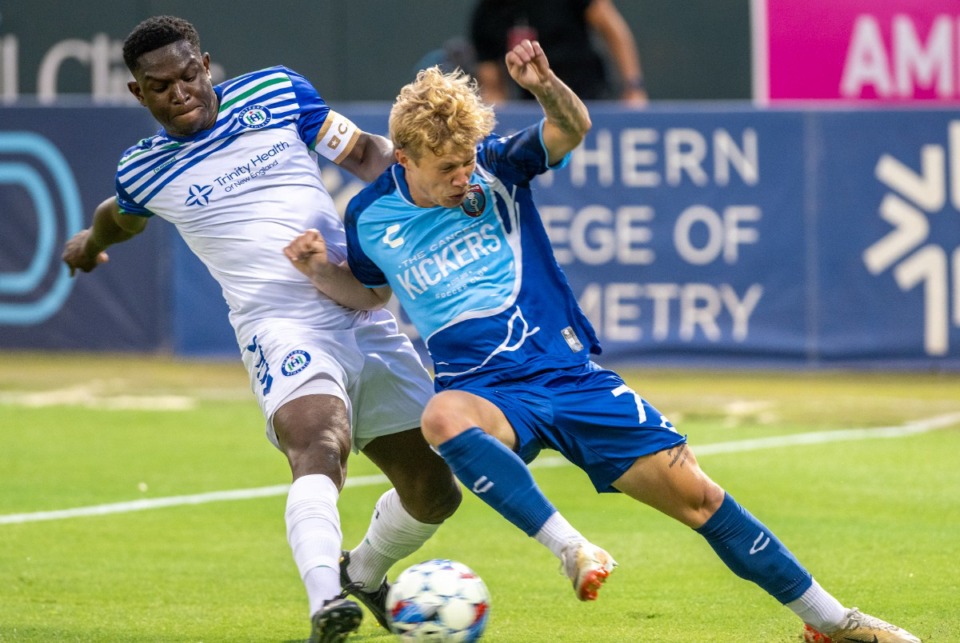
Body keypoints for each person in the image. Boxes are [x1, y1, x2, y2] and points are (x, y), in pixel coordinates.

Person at [284, 39, 922, 642]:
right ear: (404, 160)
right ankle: (572, 548)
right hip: (488, 392)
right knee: (442, 416)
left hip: (571, 377)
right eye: (448, 168)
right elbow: (371, 294)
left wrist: (547, 88)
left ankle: (833, 621)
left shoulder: (500, 169)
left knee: (701, 499)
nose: (464, 176)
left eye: (469, 159)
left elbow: (571, 129)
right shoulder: (370, 216)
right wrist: (320, 271)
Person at [61, 15, 462, 643]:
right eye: (161, 86)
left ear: (206, 63)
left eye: (190, 74)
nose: (182, 91)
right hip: (280, 329)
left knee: (434, 491)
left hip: (358, 305)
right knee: (319, 447)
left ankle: (361, 573)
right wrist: (88, 244)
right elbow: (120, 217)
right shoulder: (144, 170)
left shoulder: (276, 93)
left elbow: (364, 154)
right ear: (139, 93)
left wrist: (433, 185)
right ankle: (327, 602)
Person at [470, 0, 647, 105]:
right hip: (535, 108)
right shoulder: (487, 13)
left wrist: (634, 87)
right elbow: (492, 84)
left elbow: (611, 28)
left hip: (590, 98)